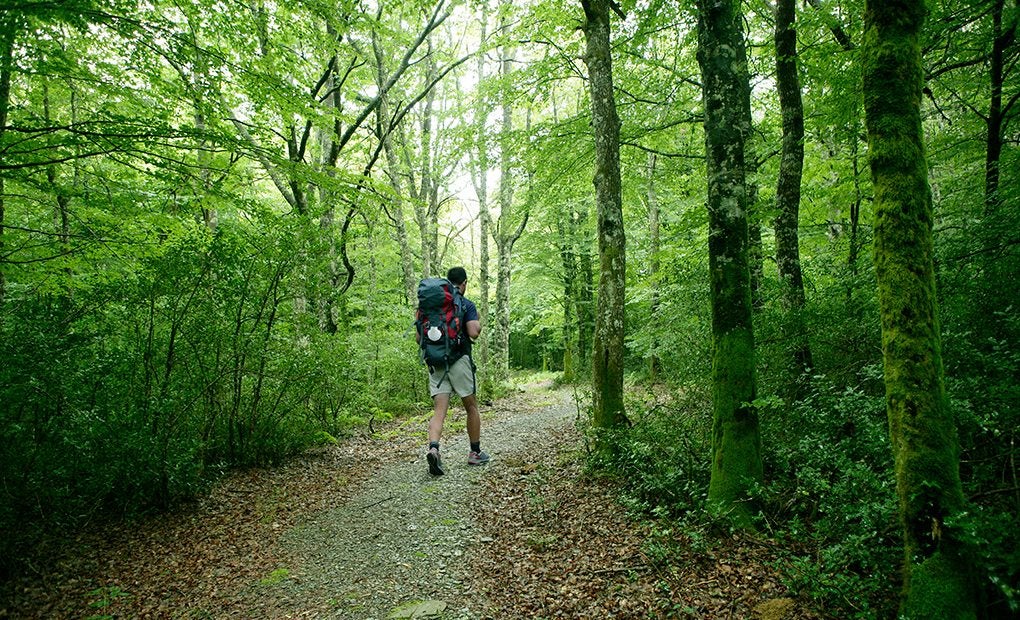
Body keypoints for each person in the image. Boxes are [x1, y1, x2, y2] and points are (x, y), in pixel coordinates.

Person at [424, 266, 489, 476]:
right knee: (471, 407)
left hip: (436, 362)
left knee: (439, 411)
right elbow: (473, 332)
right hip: (459, 360)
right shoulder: (466, 304)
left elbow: (419, 338)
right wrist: (477, 321)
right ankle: (475, 453)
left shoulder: (431, 306)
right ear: (464, 283)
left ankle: (434, 449)